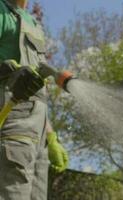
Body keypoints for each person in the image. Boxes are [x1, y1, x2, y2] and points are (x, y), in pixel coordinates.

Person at [0, 0, 68, 199]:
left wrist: (51, 136)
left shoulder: (34, 25)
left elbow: (38, 90)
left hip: (37, 133)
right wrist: (5, 70)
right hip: (11, 121)